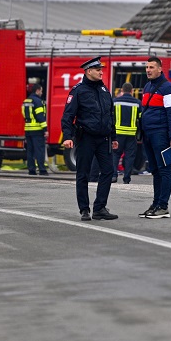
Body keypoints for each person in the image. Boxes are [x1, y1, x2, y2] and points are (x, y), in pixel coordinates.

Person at [61, 57, 119, 221]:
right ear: (88, 71)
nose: (101, 72)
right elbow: (68, 116)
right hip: (86, 138)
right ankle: (84, 210)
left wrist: (113, 136)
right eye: (98, 69)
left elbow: (110, 115)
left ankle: (100, 208)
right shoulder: (78, 91)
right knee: (83, 174)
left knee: (108, 171)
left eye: (101, 69)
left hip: (104, 139)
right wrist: (67, 136)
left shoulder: (104, 90)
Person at [139, 56, 171, 219]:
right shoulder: (148, 86)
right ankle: (156, 203)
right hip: (148, 134)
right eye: (147, 67)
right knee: (155, 170)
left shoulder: (168, 88)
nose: (148, 70)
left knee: (164, 170)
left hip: (161, 135)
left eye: (151, 67)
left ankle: (163, 206)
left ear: (160, 69)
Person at [112, 82, 141, 184]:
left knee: (115, 154)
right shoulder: (137, 103)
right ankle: (127, 178)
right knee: (129, 156)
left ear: (122, 91)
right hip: (131, 134)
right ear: (132, 91)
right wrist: (140, 134)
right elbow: (141, 119)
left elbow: (111, 117)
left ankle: (114, 176)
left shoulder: (115, 101)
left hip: (118, 134)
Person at [22, 83, 48, 175]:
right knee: (39, 151)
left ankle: (31, 170)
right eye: (41, 91)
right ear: (37, 90)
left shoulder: (26, 101)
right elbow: (40, 116)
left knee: (30, 151)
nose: (41, 93)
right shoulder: (38, 101)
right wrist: (45, 129)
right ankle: (42, 170)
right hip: (37, 130)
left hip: (28, 130)